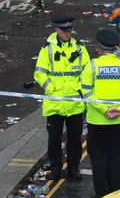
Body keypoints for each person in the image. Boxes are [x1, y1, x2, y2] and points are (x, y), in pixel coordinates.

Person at [80, 29, 120, 198]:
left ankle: (100, 195)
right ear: (114, 48)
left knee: (98, 158)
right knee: (114, 156)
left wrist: (104, 110)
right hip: (118, 121)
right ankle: (115, 193)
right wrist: (119, 109)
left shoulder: (91, 67)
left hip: (96, 121)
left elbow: (86, 93)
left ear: (98, 48)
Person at [34, 16, 90, 181]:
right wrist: (52, 89)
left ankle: (74, 169)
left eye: (69, 30)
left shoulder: (80, 49)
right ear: (56, 30)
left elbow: (87, 73)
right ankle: (56, 169)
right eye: (64, 31)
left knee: (74, 139)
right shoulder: (47, 49)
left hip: (74, 104)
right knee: (54, 140)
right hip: (55, 103)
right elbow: (39, 73)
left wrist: (78, 88)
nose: (67, 33)